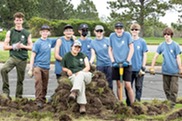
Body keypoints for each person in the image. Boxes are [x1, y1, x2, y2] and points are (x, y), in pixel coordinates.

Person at [0, 12, 32, 99]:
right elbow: (5, 47)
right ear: (14, 21)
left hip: (23, 58)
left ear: (22, 21)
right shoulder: (10, 32)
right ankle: (6, 92)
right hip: (13, 57)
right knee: (3, 69)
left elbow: (31, 47)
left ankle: (18, 97)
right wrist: (14, 46)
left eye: (20, 20)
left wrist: (23, 46)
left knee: (20, 79)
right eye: (17, 20)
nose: (18, 22)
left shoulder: (27, 33)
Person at [149, 27, 182, 108]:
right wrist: (152, 67)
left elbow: (178, 58)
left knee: (173, 90)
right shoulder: (161, 45)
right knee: (166, 89)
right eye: (165, 34)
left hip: (174, 71)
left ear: (171, 35)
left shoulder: (175, 45)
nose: (166, 36)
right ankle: (169, 103)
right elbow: (155, 56)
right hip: (165, 70)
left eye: (168, 34)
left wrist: (180, 69)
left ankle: (172, 105)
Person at [28, 25, 56, 107]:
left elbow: (60, 39)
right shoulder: (37, 42)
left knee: (45, 84)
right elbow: (33, 55)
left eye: (46, 31)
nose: (45, 33)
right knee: (38, 82)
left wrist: (72, 37)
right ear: (40, 32)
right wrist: (31, 68)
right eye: (43, 31)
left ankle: (43, 99)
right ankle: (38, 100)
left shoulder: (50, 41)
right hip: (38, 66)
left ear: (49, 33)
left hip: (46, 67)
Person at [61, 40, 92, 114]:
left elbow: (88, 67)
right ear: (71, 47)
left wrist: (80, 72)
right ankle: (82, 105)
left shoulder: (82, 55)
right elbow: (63, 67)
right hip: (74, 76)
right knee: (81, 83)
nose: (77, 48)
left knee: (80, 74)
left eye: (79, 47)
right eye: (75, 47)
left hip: (85, 75)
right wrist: (68, 70)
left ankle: (74, 91)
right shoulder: (66, 56)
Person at [108, 22, 134, 104]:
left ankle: (133, 104)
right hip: (116, 64)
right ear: (115, 29)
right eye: (117, 29)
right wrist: (112, 61)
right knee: (119, 84)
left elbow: (131, 48)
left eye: (120, 28)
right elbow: (110, 49)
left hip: (126, 64)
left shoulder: (127, 35)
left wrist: (127, 60)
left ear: (123, 29)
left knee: (128, 85)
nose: (119, 30)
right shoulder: (112, 36)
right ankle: (120, 103)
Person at [126, 23, 148, 105]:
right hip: (129, 68)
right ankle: (129, 104)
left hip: (138, 68)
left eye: (136, 30)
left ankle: (137, 104)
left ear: (139, 31)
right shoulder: (127, 41)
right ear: (130, 31)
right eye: (132, 29)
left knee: (138, 87)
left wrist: (143, 67)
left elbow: (144, 54)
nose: (134, 31)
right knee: (128, 87)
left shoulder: (142, 42)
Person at [90, 25, 112, 89]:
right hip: (100, 65)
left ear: (103, 32)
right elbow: (93, 55)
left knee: (109, 83)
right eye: (97, 31)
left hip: (109, 64)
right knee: (100, 82)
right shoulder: (93, 42)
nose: (99, 32)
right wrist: (90, 63)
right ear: (94, 32)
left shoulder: (108, 40)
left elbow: (111, 51)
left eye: (101, 31)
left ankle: (110, 97)